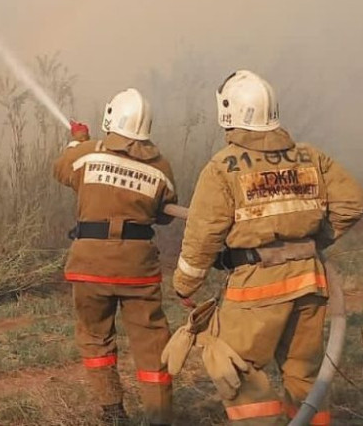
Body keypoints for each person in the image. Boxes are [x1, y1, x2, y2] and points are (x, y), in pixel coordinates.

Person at [173, 71, 363, 425]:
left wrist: (185, 284)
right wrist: (311, 242)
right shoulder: (311, 157)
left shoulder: (222, 167)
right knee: (305, 376)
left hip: (256, 290)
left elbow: (203, 234)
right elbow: (352, 203)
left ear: (228, 111)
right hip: (310, 282)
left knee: (237, 368)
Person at [55, 88, 177, 425]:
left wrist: (77, 140)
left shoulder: (88, 154)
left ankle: (112, 411)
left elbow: (62, 170)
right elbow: (164, 213)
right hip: (138, 269)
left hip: (90, 265)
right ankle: (159, 417)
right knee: (153, 344)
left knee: (95, 338)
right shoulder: (161, 166)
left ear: (111, 119)